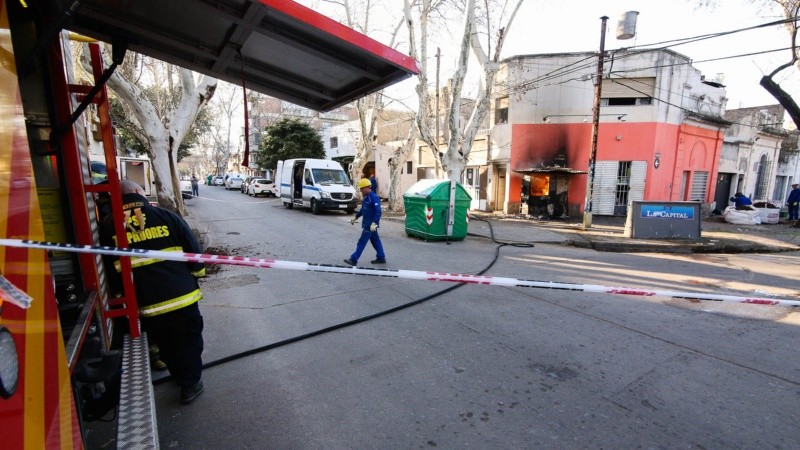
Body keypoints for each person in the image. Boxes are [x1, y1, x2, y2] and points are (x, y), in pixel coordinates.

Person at [100, 180, 206, 405]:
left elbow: (110, 268)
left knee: (165, 342)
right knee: (188, 341)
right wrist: (197, 274)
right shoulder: (166, 217)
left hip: (146, 302)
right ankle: (190, 385)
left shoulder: (109, 227)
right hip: (182, 297)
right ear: (139, 192)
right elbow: (192, 248)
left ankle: (179, 376)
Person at [344, 178, 385, 266]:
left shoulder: (373, 197)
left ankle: (354, 259)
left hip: (370, 224)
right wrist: (355, 217)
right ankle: (381, 257)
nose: (361, 191)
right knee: (375, 240)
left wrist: (374, 223)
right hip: (368, 224)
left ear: (366, 188)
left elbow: (378, 211)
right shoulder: (367, 198)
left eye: (361, 189)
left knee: (362, 241)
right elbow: (363, 209)